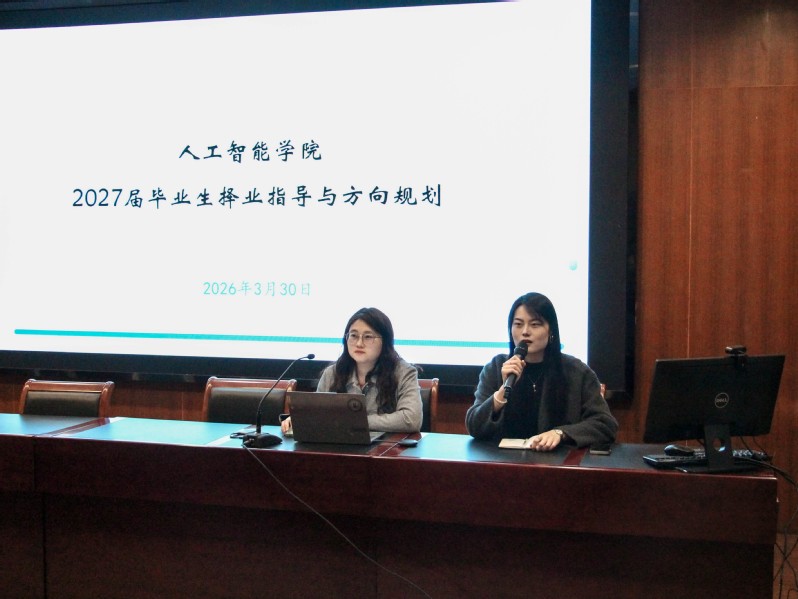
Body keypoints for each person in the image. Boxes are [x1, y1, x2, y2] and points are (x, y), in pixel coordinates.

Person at [466, 292, 618, 450]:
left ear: (551, 330)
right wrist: (502, 393)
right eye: (518, 324)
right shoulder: (496, 368)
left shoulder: (576, 372)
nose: (525, 331)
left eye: (535, 324)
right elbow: (474, 427)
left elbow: (605, 424)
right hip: (504, 461)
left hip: (557, 461)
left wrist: (561, 433)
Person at [281, 307, 422, 434]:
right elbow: (318, 414)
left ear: (385, 341)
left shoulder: (403, 373)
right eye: (353, 335)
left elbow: (411, 419)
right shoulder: (332, 373)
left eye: (368, 337)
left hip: (387, 450)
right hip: (340, 448)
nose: (359, 343)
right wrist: (300, 419)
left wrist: (355, 421)